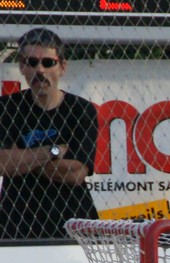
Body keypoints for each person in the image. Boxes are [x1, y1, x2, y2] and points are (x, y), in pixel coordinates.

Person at [0, 27, 98, 240]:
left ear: (62, 67)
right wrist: (52, 152)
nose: (40, 70)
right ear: (22, 66)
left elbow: (76, 173)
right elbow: (3, 164)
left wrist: (22, 158)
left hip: (74, 223)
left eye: (48, 62)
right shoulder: (6, 108)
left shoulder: (81, 110)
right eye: (31, 62)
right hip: (17, 224)